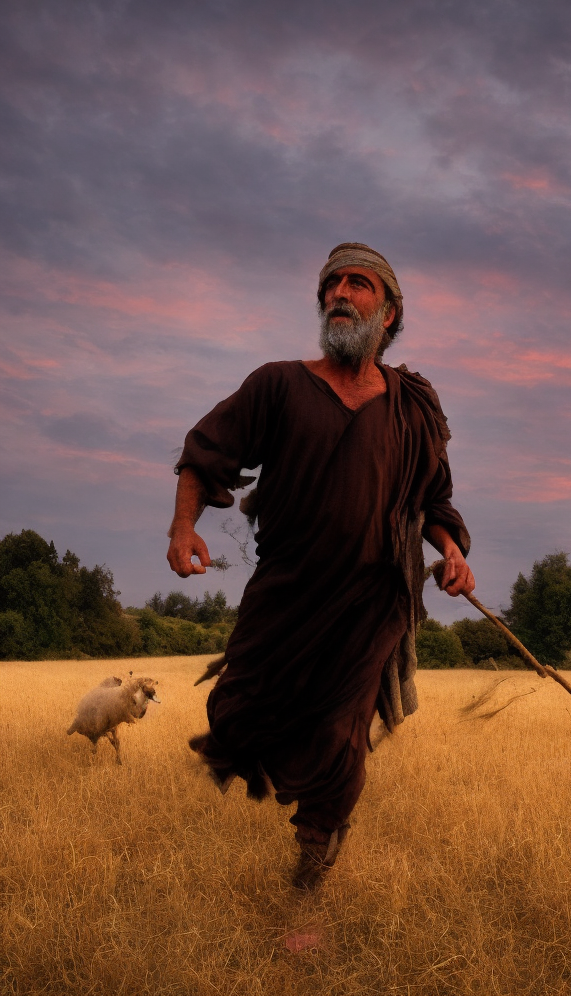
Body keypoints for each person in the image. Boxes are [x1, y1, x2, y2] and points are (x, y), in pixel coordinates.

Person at [166, 242, 474, 889]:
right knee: (238, 713)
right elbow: (206, 451)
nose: (340, 293)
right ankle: (304, 803)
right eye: (332, 285)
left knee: (341, 730)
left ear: (388, 313)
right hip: (288, 593)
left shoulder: (413, 407)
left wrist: (449, 550)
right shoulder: (277, 385)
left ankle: (315, 851)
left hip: (372, 601)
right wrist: (184, 526)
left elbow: (435, 498)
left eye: (359, 284)